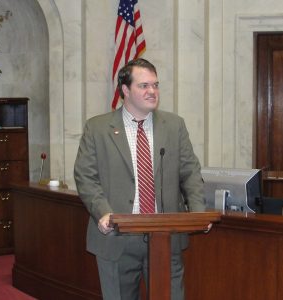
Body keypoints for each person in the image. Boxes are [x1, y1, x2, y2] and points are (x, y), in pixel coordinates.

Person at [74, 58, 206, 300]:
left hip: (165, 237)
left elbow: (190, 172)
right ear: (125, 90)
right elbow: (86, 177)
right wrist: (103, 212)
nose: (152, 91)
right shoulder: (98, 128)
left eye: (155, 85)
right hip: (117, 237)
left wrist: (197, 213)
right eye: (144, 86)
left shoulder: (174, 126)